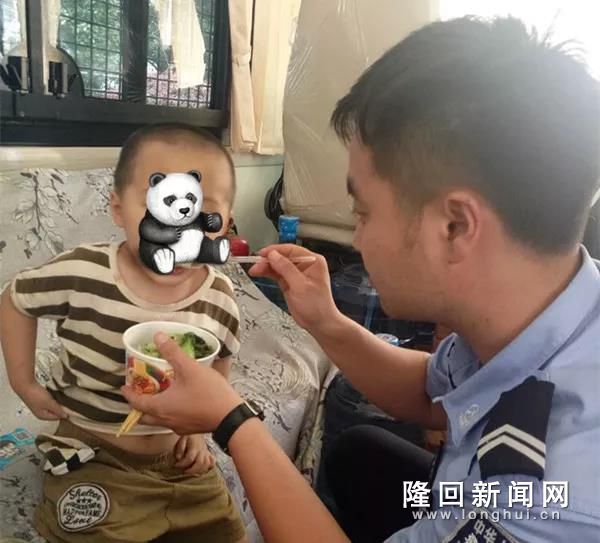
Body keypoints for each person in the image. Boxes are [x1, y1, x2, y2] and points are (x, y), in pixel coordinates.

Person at [122, 16, 600, 543]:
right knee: (358, 455)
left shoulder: (554, 500)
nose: (358, 238)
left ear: (455, 227)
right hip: (451, 489)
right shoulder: (540, 309)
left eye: (363, 213)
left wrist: (233, 421)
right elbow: (432, 393)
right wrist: (326, 322)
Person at [0, 123, 247, 543]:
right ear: (118, 209)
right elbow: (15, 298)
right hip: (94, 451)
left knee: (225, 530)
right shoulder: (84, 271)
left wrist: (199, 431)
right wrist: (23, 383)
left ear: (224, 223)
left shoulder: (220, 296)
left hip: (178, 459)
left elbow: (217, 363)